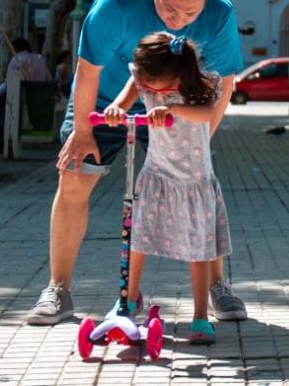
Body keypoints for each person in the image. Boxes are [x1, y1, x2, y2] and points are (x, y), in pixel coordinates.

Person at [26, 0, 246, 327]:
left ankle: (216, 286)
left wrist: (201, 139)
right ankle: (57, 288)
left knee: (199, 191)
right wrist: (82, 132)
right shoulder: (117, 3)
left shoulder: (220, 13)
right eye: (171, 9)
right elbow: (88, 70)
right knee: (75, 175)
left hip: (177, 105)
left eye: (189, 14)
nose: (179, 20)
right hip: (107, 98)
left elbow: (225, 83)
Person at [101, 32, 232, 345]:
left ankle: (200, 315)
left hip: (194, 182)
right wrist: (116, 110)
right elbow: (123, 100)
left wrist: (172, 109)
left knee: (198, 249)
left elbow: (207, 114)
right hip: (157, 175)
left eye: (153, 83)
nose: (146, 87)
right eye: (143, 80)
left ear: (175, 74)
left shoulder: (202, 85)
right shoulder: (143, 79)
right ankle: (129, 299)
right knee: (138, 237)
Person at [0, 38, 51, 150]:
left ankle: (0, 135)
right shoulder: (40, 59)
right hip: (38, 97)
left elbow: (8, 85)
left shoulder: (17, 60)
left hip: (19, 97)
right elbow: (48, 78)